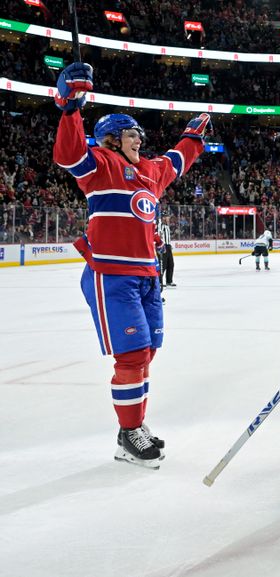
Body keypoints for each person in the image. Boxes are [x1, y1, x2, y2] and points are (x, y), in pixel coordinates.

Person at [52, 62, 211, 469]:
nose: (138, 139)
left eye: (139, 134)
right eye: (130, 134)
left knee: (148, 352)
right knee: (132, 353)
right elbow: (69, 155)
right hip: (111, 275)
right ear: (110, 139)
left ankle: (133, 425)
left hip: (147, 276)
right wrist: (70, 107)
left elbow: (177, 159)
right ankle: (129, 433)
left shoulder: (150, 171)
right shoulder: (100, 164)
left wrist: (194, 134)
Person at [157, 215, 175, 286]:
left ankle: (169, 281)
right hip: (162, 246)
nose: (168, 219)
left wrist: (169, 245)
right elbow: (159, 234)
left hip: (168, 246)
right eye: (167, 217)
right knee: (162, 265)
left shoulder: (167, 226)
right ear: (163, 218)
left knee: (171, 264)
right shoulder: (160, 225)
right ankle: (159, 281)